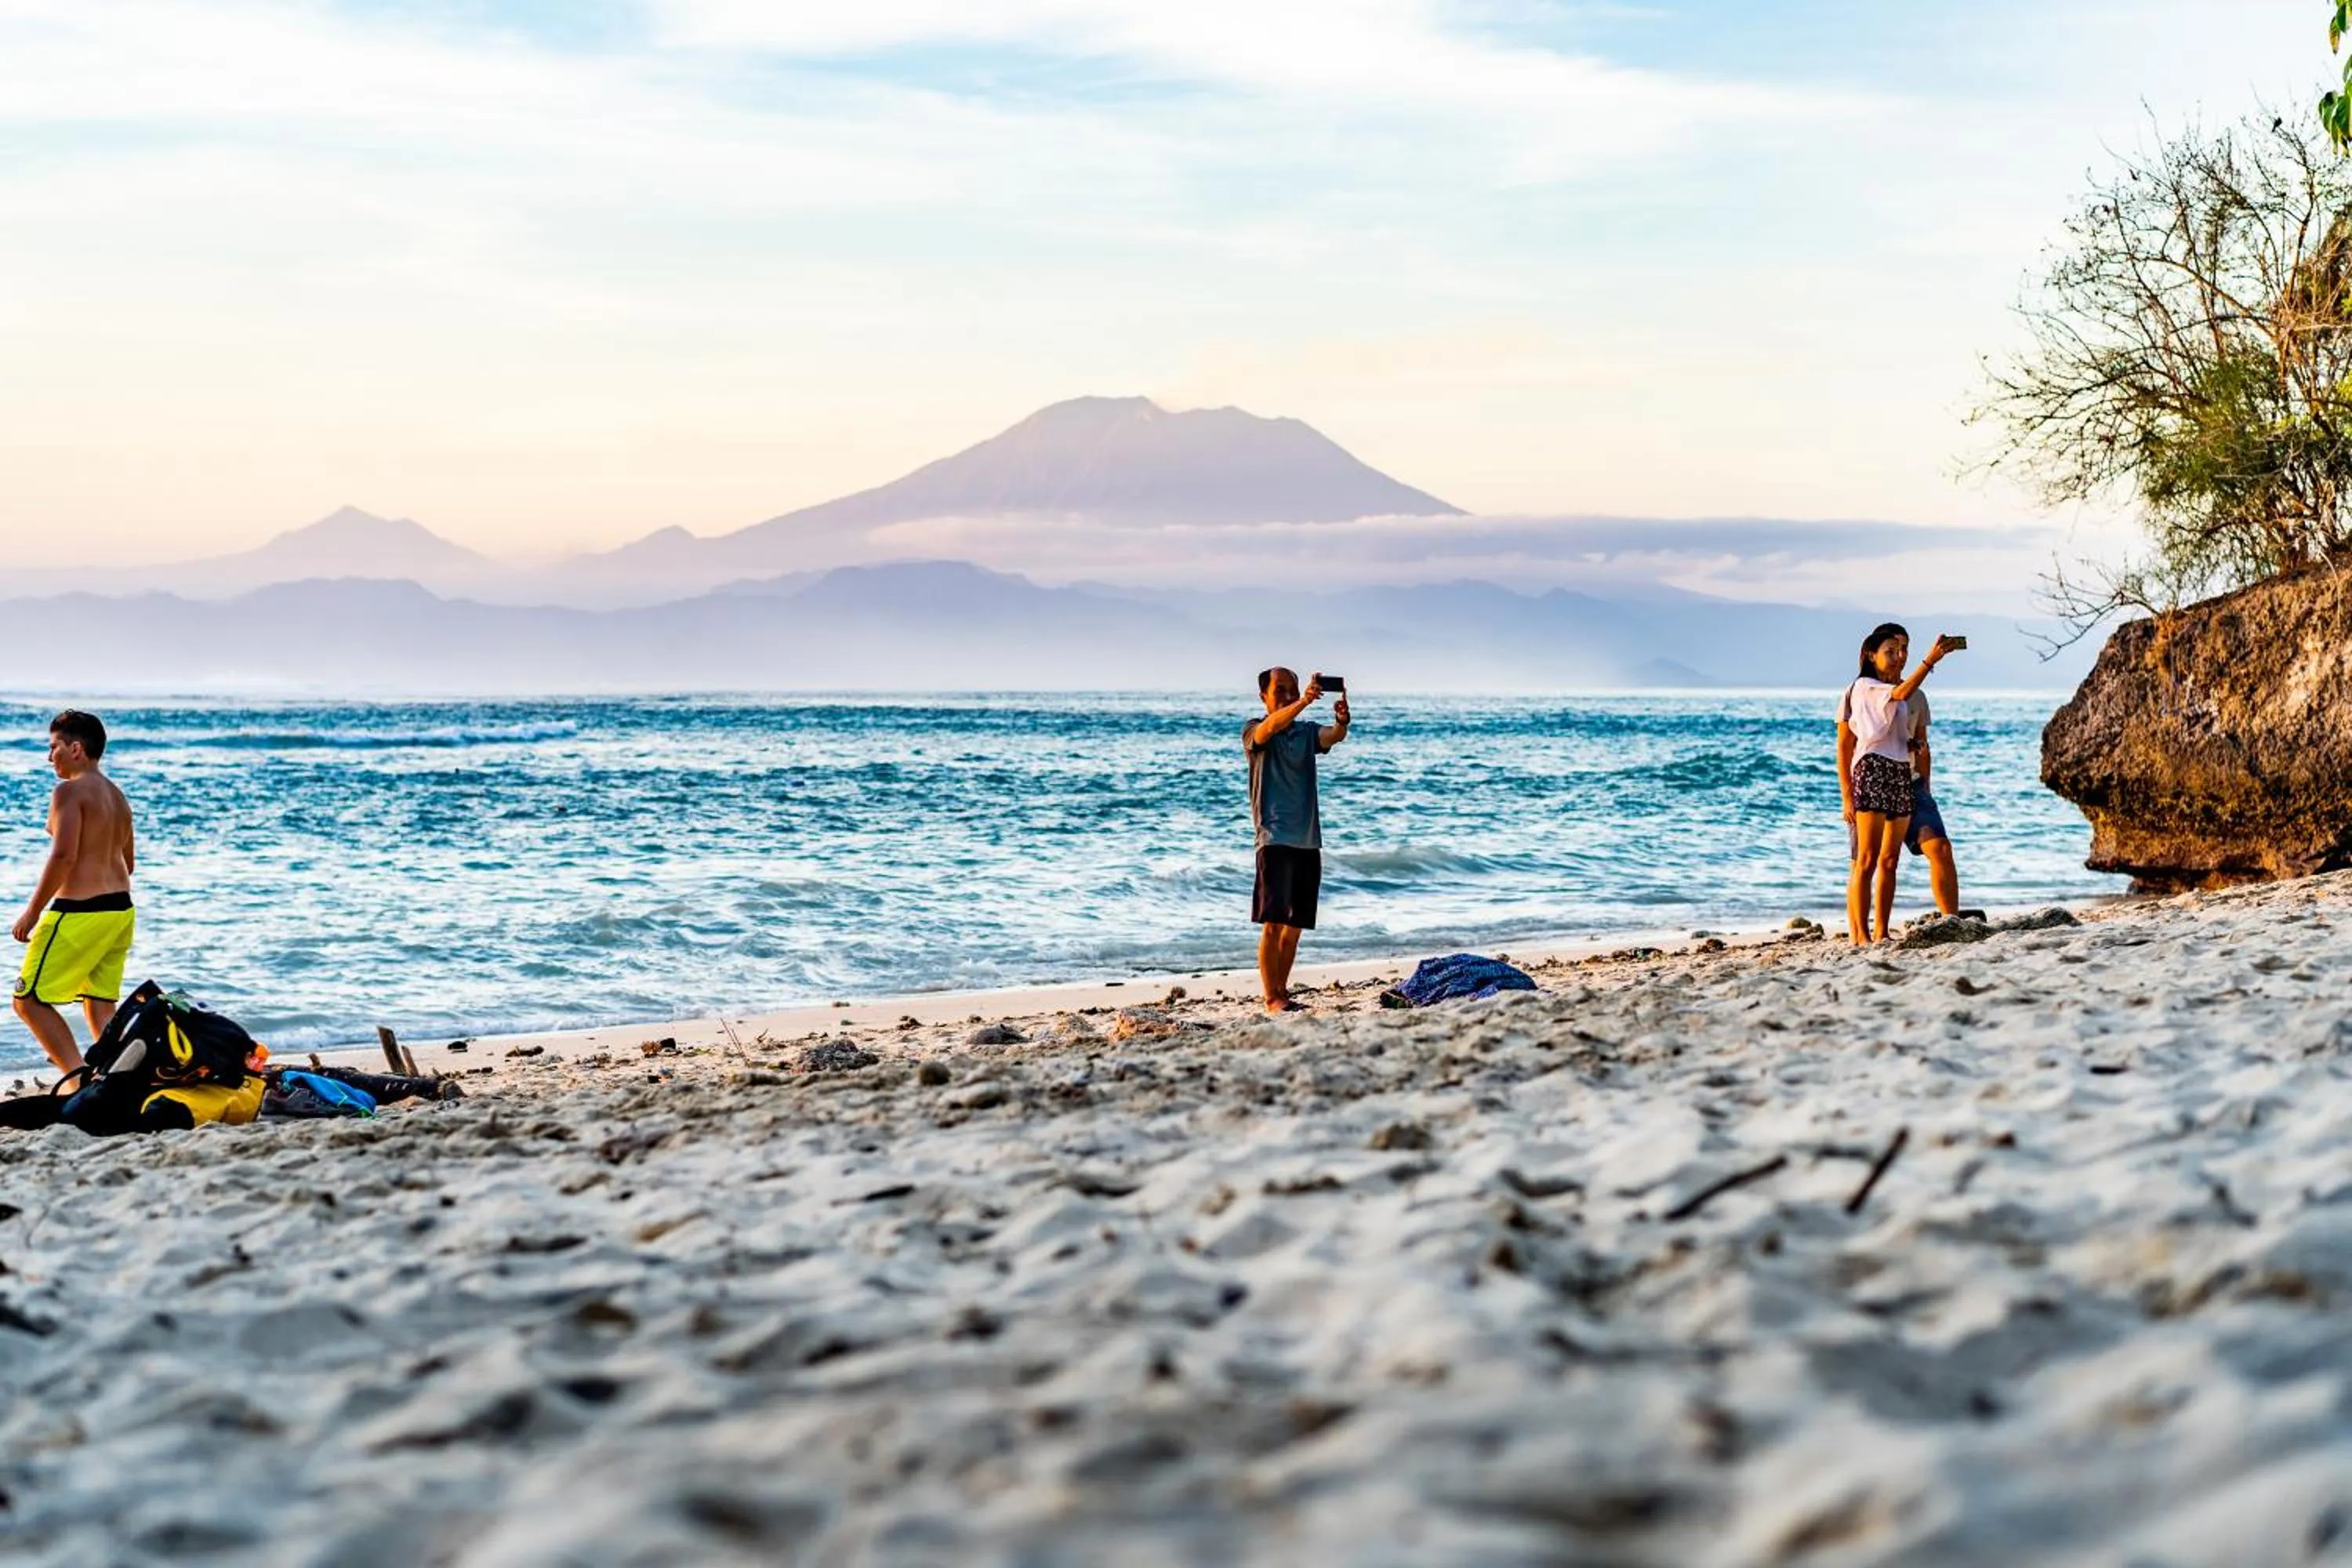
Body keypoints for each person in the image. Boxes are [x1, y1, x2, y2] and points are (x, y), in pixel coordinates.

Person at [12, 710, 136, 1076]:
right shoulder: (118, 797)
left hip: (81, 911)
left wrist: (32, 912)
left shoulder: (68, 792)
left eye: (54, 747)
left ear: (76, 749)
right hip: (120, 911)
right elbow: (128, 863)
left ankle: (76, 1078)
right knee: (99, 1002)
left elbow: (64, 856)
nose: (49, 757)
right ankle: (117, 1077)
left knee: (28, 1000)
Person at [1836, 627, 1960, 946]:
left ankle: (1881, 932)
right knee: (1866, 860)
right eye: (1890, 651)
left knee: (1890, 861)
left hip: (1901, 772)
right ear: (1871, 655)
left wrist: (1914, 747)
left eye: (1901, 650)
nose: (1898, 657)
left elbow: (1896, 733)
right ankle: (1861, 937)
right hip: (1873, 770)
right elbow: (1848, 743)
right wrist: (1931, 660)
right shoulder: (1864, 687)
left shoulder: (1901, 693)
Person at [1245, 668, 1350, 1012]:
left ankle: (1282, 991)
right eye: (1281, 690)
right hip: (1274, 838)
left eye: (1293, 690)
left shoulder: (1305, 733)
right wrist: (1304, 701)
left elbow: (1332, 736)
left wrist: (1341, 721)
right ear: (1263, 696)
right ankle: (1271, 997)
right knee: (1273, 923)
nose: (1288, 696)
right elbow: (1269, 729)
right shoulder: (1254, 730)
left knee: (1295, 926)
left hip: (1308, 839)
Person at [1904, 689, 1963, 916]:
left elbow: (1922, 744)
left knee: (1941, 848)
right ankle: (1868, 931)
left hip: (1913, 785)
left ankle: (1951, 921)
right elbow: (1846, 747)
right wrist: (1848, 796)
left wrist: (1926, 785)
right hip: (1876, 788)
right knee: (1878, 861)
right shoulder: (1860, 692)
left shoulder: (1917, 697)